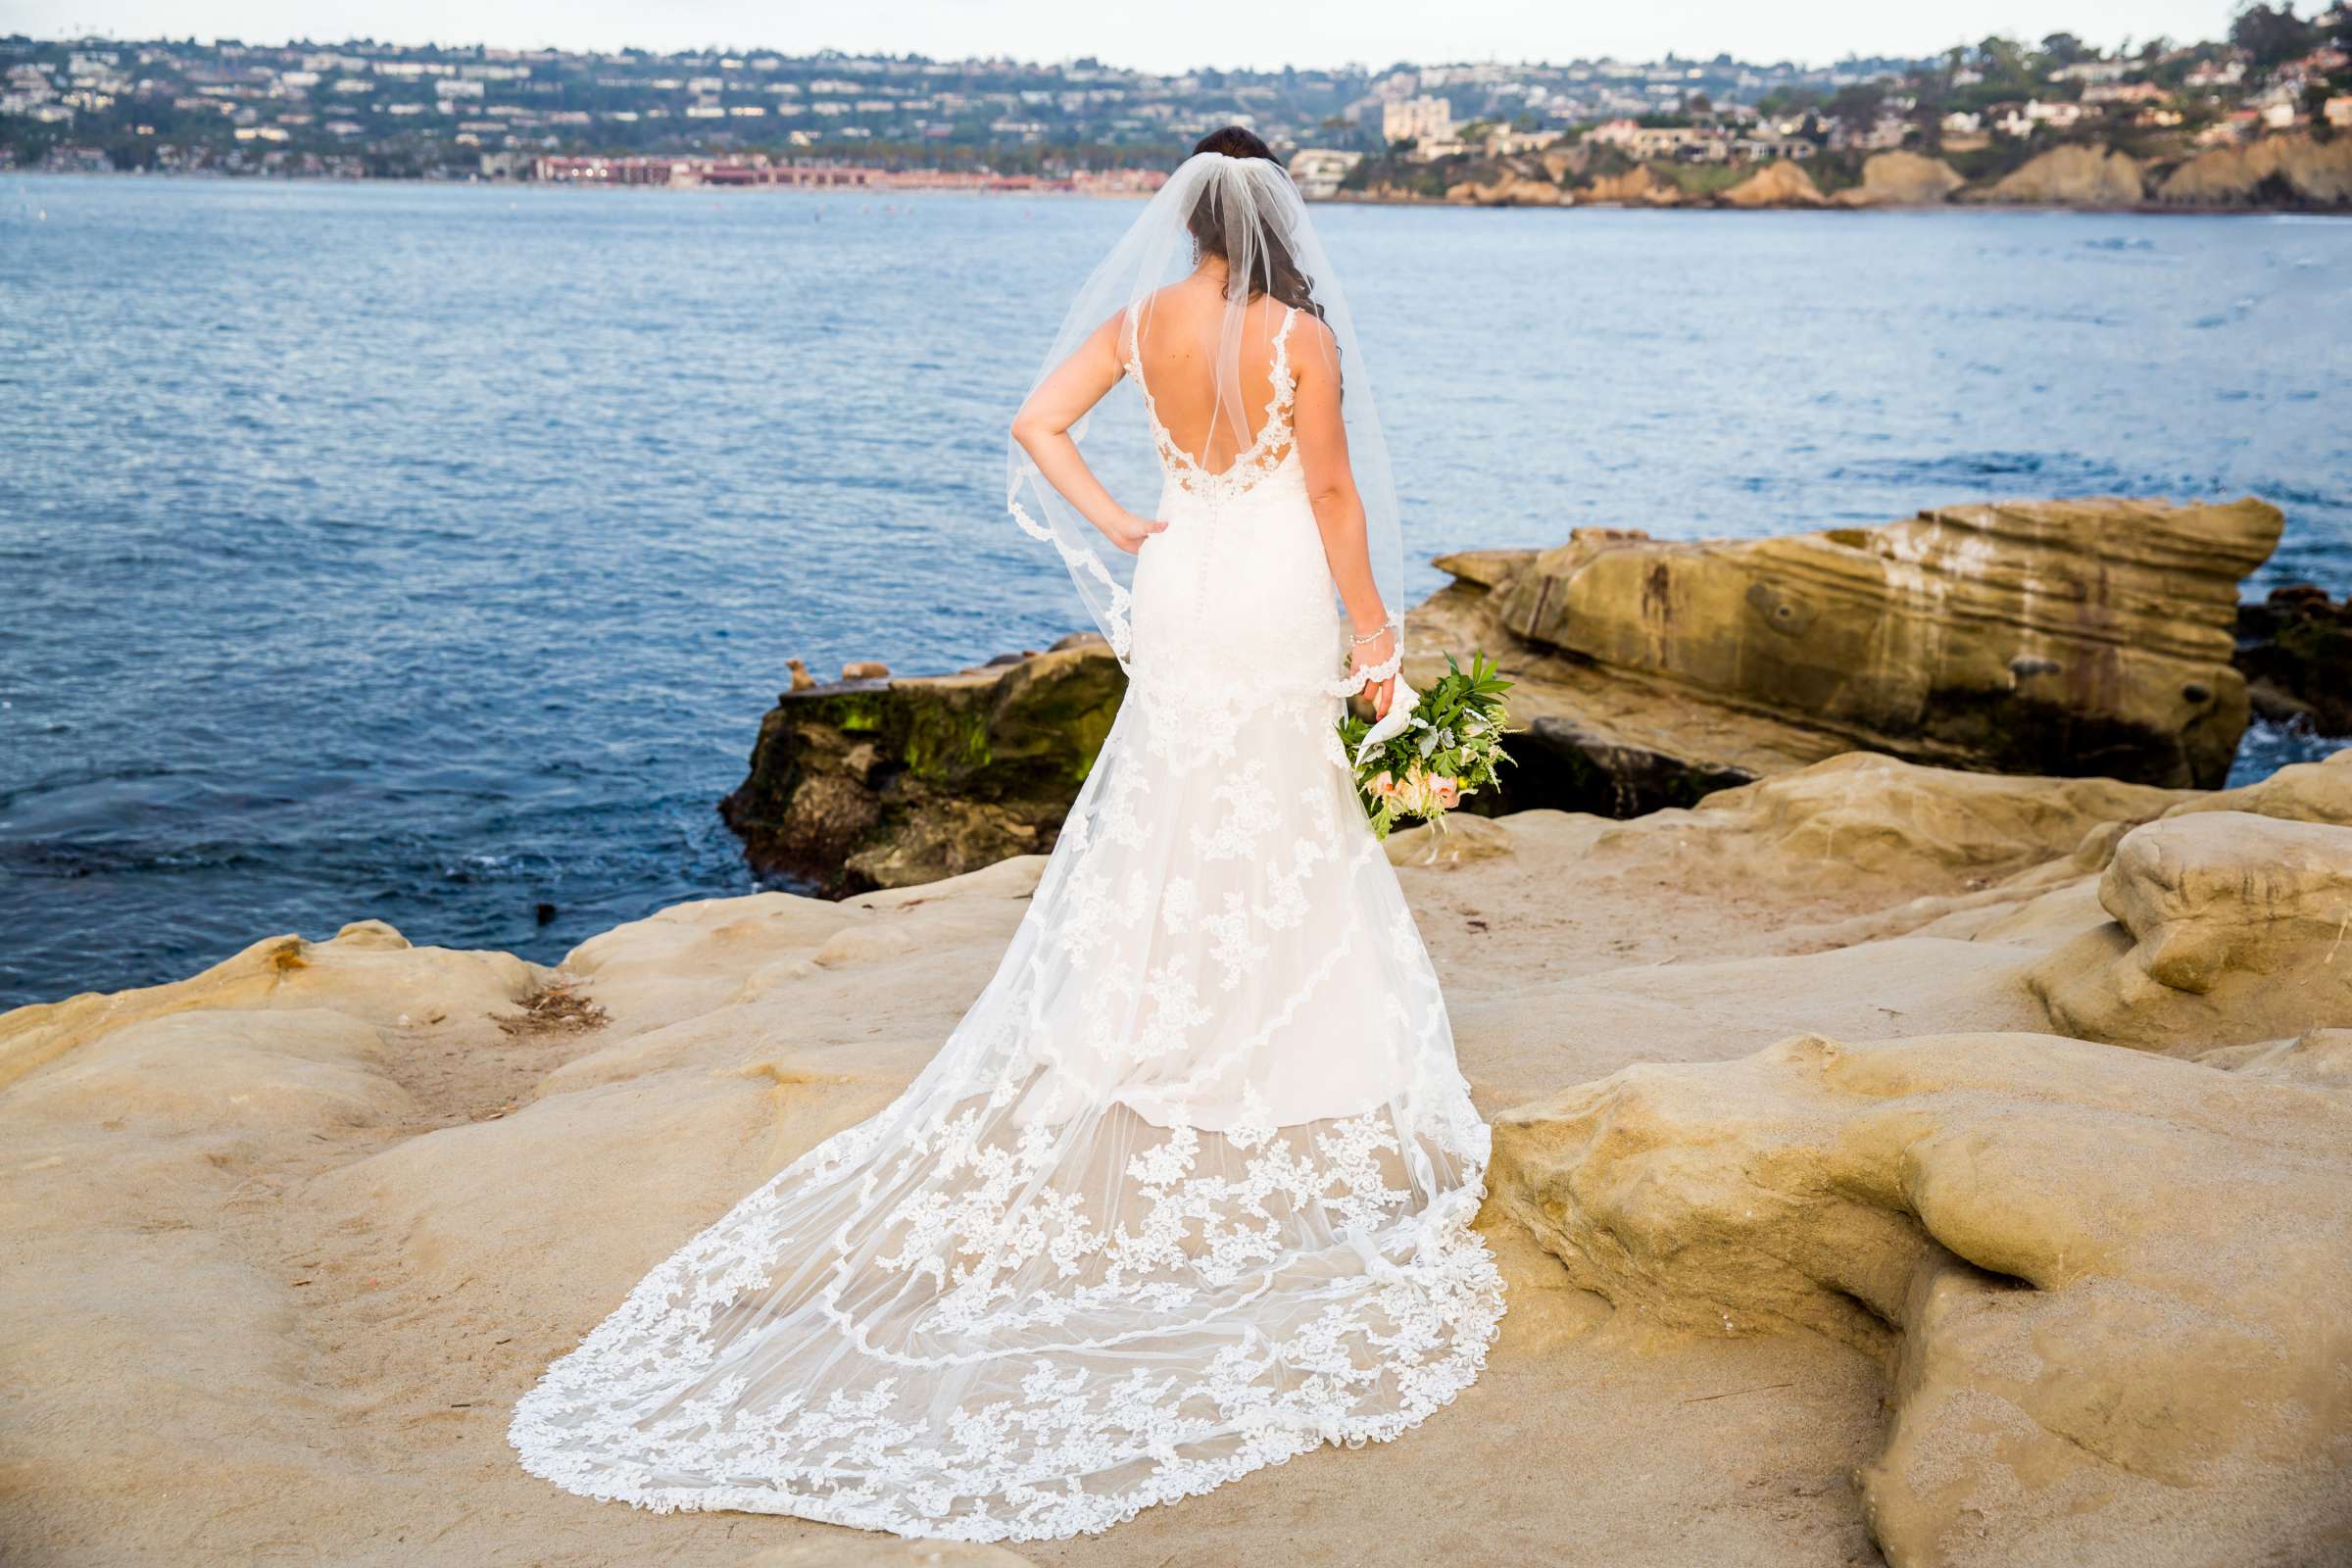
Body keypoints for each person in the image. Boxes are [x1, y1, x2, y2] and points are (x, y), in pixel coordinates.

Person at [509, 126, 1504, 1544]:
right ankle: (1280, 1039)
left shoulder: (1142, 322)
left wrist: (1127, 523)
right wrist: (1378, 648)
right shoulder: (1299, 338)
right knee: (1278, 802)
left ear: (1191, 218)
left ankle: (1150, 1026)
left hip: (1185, 577)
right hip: (1274, 581)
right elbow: (1334, 495)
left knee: (1172, 798)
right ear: (1278, 215)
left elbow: (1036, 424)